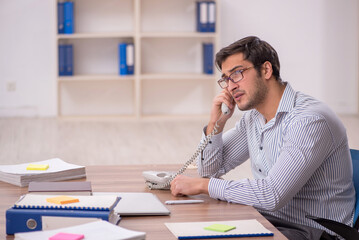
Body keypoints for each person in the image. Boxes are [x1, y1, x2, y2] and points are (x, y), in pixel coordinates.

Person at [170, 36, 355, 240]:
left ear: (266, 70)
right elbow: (209, 171)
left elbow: (271, 194)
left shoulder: (309, 120)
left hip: (317, 232)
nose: (230, 86)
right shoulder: (254, 117)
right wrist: (217, 123)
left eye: (237, 74)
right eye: (226, 78)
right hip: (272, 222)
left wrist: (203, 186)